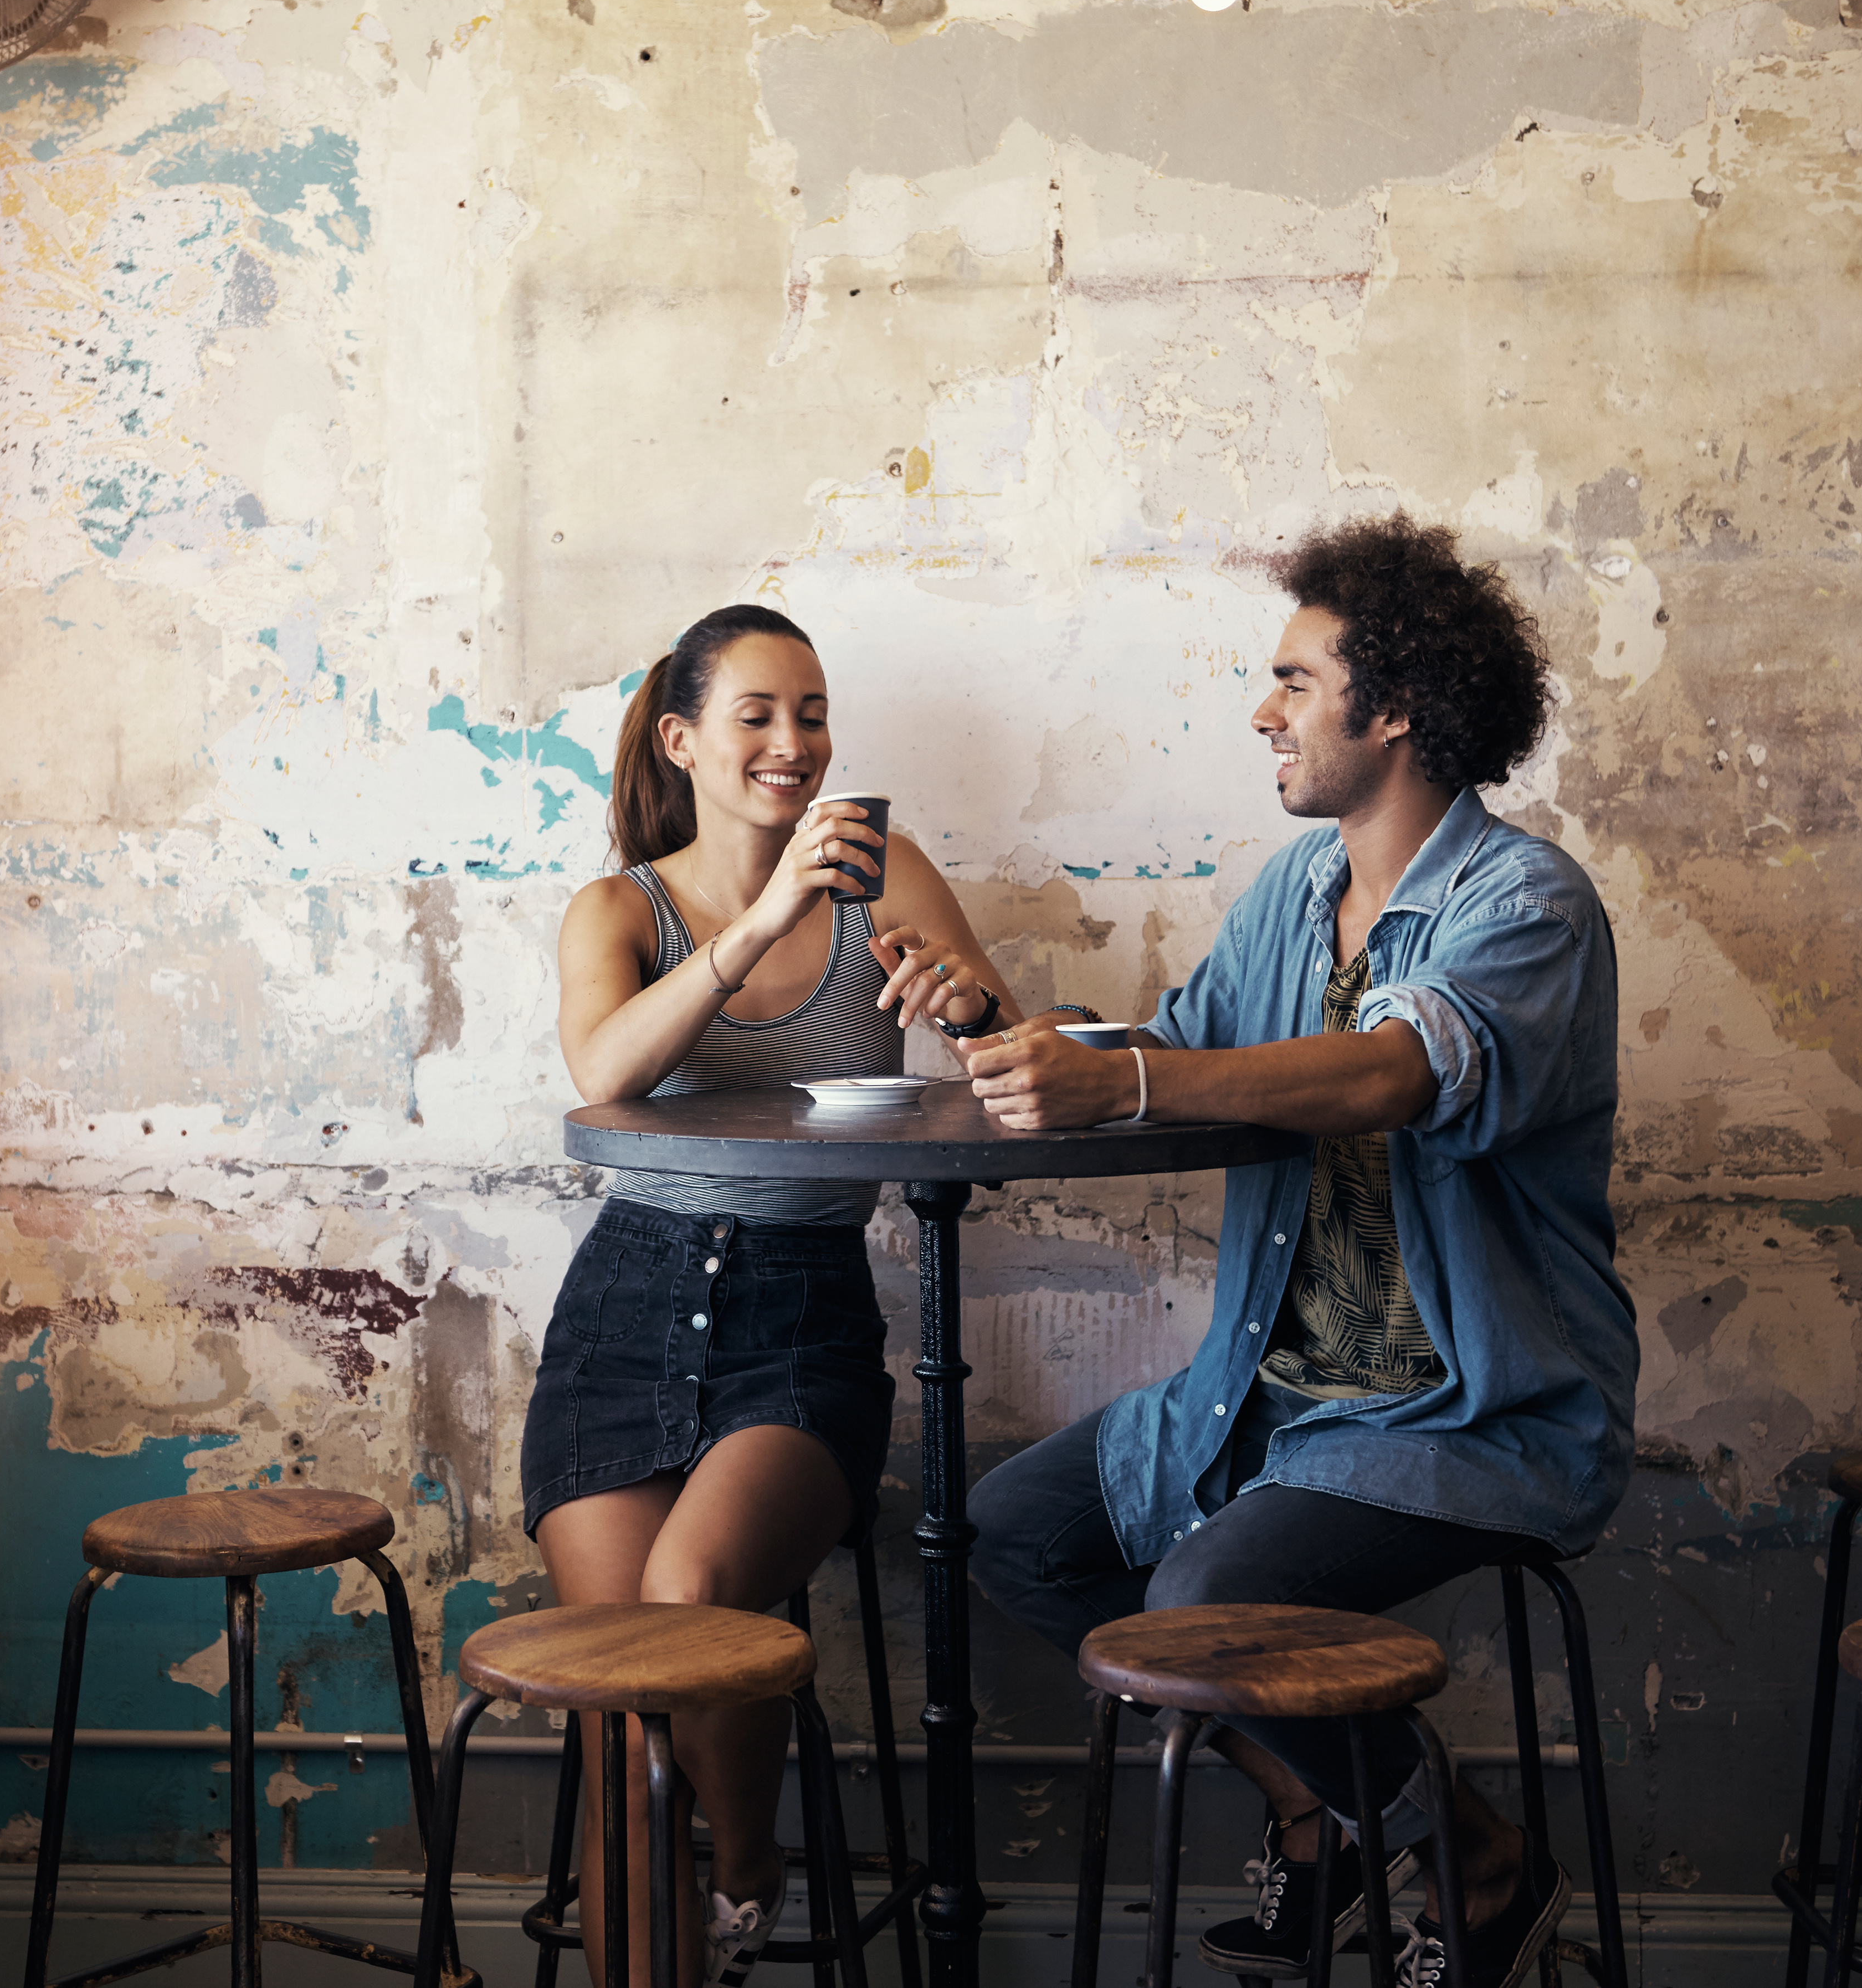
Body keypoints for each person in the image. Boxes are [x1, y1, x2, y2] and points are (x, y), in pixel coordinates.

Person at [957, 515, 1633, 1988]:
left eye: (1292, 680)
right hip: (1269, 1396)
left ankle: (1479, 1856)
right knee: (1014, 1530)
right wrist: (1011, 1031)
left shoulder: (1528, 906)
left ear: (1391, 709)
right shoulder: (1295, 894)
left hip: (1473, 1413)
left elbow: (1393, 1073)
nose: (1262, 710)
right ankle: (1328, 1814)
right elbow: (1190, 1055)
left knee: (1204, 1598)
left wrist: (1126, 1081)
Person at [531, 602, 1028, 1988]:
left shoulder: (890, 874)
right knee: (615, 1706)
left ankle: (747, 1864)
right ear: (683, 736)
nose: (795, 743)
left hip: (801, 1313)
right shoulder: (618, 908)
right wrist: (758, 921)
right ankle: (685, 1931)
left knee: (687, 1597)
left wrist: (972, 1007)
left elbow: (1012, 1055)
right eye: (757, 714)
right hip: (624, 1312)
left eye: (811, 712)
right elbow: (603, 1074)